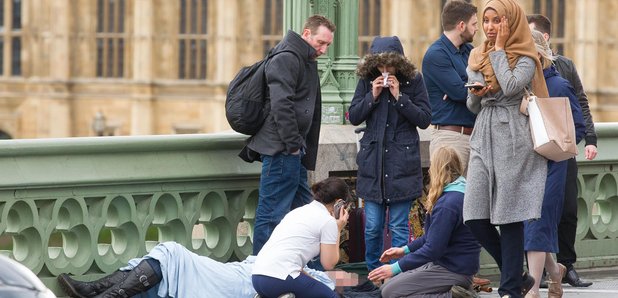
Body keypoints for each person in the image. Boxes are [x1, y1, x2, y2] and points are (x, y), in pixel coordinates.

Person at [462, 0, 549, 297]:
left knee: (510, 216)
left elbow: (512, 87)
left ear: (510, 22)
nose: (489, 27)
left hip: (513, 136)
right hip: (484, 132)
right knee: (473, 216)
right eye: (485, 21)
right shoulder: (477, 55)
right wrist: (477, 93)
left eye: (496, 20)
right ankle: (518, 274)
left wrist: (499, 50)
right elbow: (472, 105)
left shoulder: (526, 56)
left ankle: (510, 288)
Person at [240, 15, 336, 255]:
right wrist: (293, 145)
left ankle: (310, 267)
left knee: (307, 211)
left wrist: (297, 148)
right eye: (320, 43)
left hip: (292, 149)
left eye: (327, 45)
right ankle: (259, 271)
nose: (324, 50)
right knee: (271, 214)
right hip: (281, 149)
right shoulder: (287, 57)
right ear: (306, 34)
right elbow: (281, 106)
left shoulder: (302, 57)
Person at [348, 36, 431, 272]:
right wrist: (372, 96)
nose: (384, 71)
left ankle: (396, 274)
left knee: (398, 226)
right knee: (372, 226)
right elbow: (354, 115)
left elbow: (425, 119)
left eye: (389, 66)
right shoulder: (366, 81)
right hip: (373, 165)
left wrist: (399, 98)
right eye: (380, 66)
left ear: (399, 64)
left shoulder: (414, 81)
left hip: (401, 166)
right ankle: (373, 272)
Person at [527, 14, 598, 288]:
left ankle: (565, 266)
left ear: (543, 40)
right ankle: (545, 275)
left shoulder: (564, 71)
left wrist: (588, 138)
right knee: (536, 218)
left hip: (559, 155)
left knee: (567, 210)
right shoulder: (523, 82)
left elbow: (580, 106)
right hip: (533, 158)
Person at [367, 146, 481, 298]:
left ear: (437, 169)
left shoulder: (449, 204)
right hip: (452, 266)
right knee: (387, 287)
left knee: (390, 293)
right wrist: (404, 250)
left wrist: (394, 268)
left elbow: (433, 249)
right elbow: (431, 238)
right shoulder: (459, 193)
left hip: (454, 270)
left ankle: (454, 296)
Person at [57, 241, 335, 298]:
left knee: (172, 252)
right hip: (230, 272)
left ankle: (98, 292)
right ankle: (96, 291)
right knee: (165, 259)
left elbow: (334, 275)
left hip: (234, 285)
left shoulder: (315, 280)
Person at [251, 177, 350, 298]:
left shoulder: (298, 212)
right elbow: (329, 264)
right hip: (280, 278)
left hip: (258, 277)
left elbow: (290, 258)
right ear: (339, 203)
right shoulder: (327, 221)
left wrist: (313, 282)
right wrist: (338, 229)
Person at [422, 0, 478, 174]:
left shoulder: (469, 50)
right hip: (450, 139)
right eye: (474, 24)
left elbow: (484, 82)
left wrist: (469, 87)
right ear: (462, 26)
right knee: (449, 197)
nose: (477, 28)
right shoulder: (436, 54)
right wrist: (468, 88)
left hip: (474, 137)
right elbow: (461, 92)